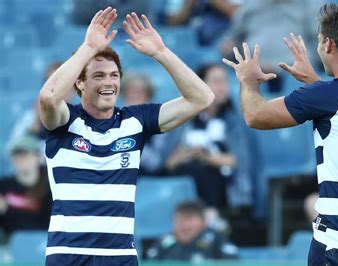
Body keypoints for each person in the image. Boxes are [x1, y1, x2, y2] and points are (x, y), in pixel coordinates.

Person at [223, 3, 338, 265]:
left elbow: (255, 115)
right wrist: (315, 82)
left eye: (319, 42)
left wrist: (248, 81)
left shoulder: (326, 96)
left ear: (329, 44)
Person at [38, 7, 214, 266]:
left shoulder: (134, 121)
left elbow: (202, 98)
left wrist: (161, 54)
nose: (108, 82)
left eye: (114, 75)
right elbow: (48, 96)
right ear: (80, 83)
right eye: (98, 76)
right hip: (68, 255)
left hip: (120, 257)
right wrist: (88, 47)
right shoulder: (65, 121)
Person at [165, 64, 253, 210]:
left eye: (225, 81)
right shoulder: (184, 121)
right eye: (216, 81)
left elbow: (239, 161)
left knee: (205, 172)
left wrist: (205, 157)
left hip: (225, 181)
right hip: (187, 176)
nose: (223, 87)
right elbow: (169, 163)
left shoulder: (234, 123)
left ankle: (210, 216)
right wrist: (189, 154)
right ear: (200, 84)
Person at [120, 72, 183, 176]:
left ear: (149, 96)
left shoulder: (159, 121)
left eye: (140, 92)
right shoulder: (114, 120)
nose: (135, 96)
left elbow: (155, 163)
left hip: (146, 175)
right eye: (131, 92)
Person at [143, 201, 238, 261]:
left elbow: (233, 262)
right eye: (180, 220)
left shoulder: (216, 239)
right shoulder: (164, 242)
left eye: (189, 220)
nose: (184, 226)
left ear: (203, 222)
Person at [0, 135, 52, 242]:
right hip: (9, 249)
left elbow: (46, 224)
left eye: (24, 154)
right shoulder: (3, 186)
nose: (19, 159)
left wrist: (6, 210)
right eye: (16, 155)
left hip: (44, 246)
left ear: (37, 157)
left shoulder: (52, 187)